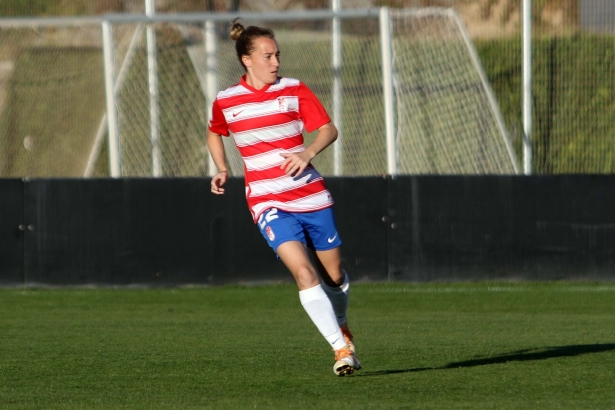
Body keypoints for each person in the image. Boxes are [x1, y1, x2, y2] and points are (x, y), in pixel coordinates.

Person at [206, 19, 361, 376]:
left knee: (333, 276)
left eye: (278, 55)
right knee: (305, 274)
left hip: (311, 196)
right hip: (267, 201)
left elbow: (328, 129)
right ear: (247, 60)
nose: (276, 62)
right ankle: (341, 349)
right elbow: (215, 133)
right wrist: (221, 166)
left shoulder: (293, 90)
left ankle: (342, 323)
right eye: (268, 56)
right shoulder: (227, 100)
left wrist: (307, 154)